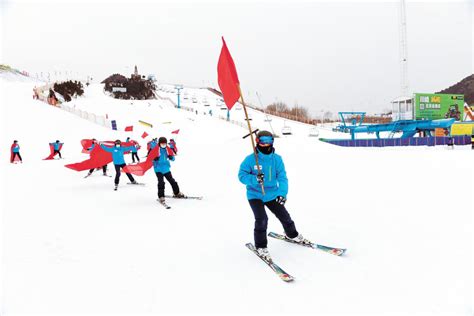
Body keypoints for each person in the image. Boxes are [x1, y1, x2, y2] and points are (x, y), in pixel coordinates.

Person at [238, 130, 308, 262]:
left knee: (284, 216)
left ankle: (292, 235)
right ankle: (261, 246)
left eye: (269, 141)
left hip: (272, 193)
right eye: (263, 141)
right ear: (257, 142)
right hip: (255, 194)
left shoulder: (277, 159)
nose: (266, 145)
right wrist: (254, 179)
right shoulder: (251, 159)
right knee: (262, 219)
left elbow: (282, 177)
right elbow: (241, 176)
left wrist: (282, 193)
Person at [153, 137, 184, 203]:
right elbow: (150, 159)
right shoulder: (155, 150)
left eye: (165, 143)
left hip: (166, 168)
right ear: (159, 143)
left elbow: (173, 159)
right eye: (162, 143)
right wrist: (154, 159)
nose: (163, 145)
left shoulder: (168, 149)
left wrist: (171, 157)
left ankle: (177, 193)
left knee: (172, 181)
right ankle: (161, 196)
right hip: (158, 169)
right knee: (161, 182)